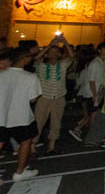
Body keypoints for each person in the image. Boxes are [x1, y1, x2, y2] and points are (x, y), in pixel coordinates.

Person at [0, 48, 43, 180]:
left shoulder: (1, 74)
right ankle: (19, 172)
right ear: (23, 58)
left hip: (2, 115)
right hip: (21, 116)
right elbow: (33, 99)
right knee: (25, 141)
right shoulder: (30, 76)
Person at [33, 36, 73, 154]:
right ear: (47, 54)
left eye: (56, 52)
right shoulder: (41, 65)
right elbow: (36, 58)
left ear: (60, 54)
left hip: (59, 97)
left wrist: (65, 42)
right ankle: (32, 146)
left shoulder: (63, 65)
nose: (53, 54)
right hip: (44, 97)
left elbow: (71, 56)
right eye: (51, 52)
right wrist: (49, 45)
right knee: (38, 122)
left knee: (56, 122)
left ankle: (51, 146)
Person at [70, 42, 105, 142]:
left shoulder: (103, 62)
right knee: (93, 114)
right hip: (92, 92)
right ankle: (80, 130)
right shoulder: (95, 63)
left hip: (98, 91)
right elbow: (91, 80)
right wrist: (94, 94)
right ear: (99, 50)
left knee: (93, 114)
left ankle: (83, 131)